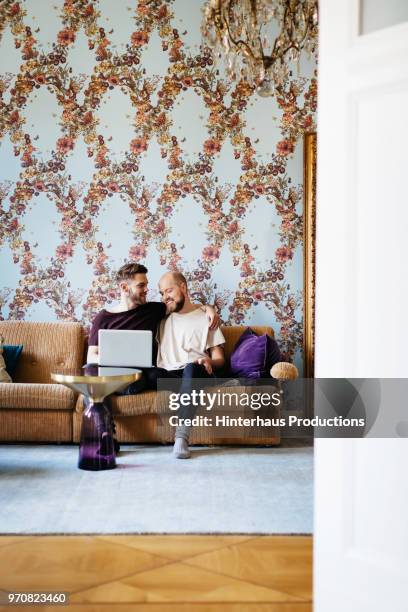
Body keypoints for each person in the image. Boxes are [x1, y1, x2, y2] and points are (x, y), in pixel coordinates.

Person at [86, 262, 218, 454]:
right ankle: (107, 437)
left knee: (159, 373)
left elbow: (182, 303)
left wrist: (209, 308)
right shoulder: (103, 318)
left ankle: (180, 434)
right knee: (89, 370)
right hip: (115, 377)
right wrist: (117, 358)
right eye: (141, 285)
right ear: (124, 288)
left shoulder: (153, 310)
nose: (147, 289)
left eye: (146, 285)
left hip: (143, 376)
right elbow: (92, 355)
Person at [147, 271, 226, 459]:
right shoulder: (161, 318)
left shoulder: (206, 318)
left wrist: (208, 360)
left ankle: (181, 436)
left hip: (197, 370)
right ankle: (188, 390)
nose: (165, 297)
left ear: (183, 287)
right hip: (170, 375)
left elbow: (220, 358)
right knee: (149, 373)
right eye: (162, 293)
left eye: (169, 291)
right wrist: (209, 306)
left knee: (191, 369)